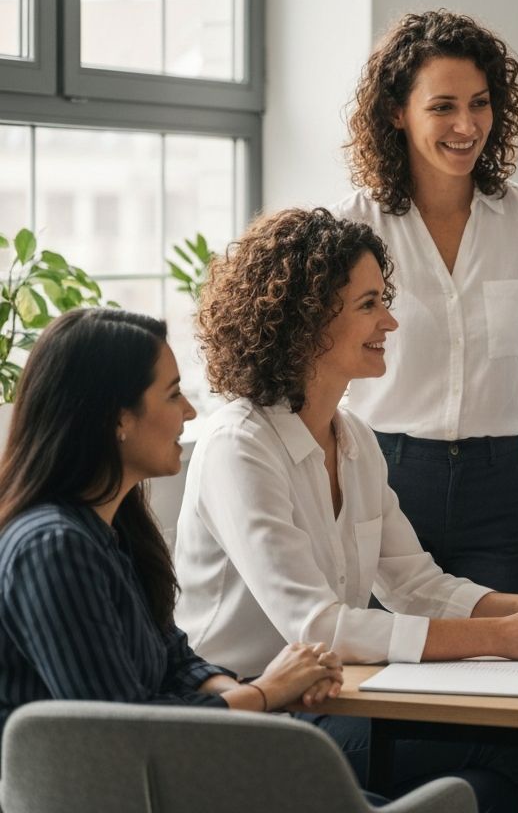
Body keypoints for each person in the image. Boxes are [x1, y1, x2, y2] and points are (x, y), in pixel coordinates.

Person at [174, 208, 518, 813]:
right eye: (368, 304)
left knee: (491, 785)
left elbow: (414, 581)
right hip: (253, 718)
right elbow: (317, 625)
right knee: (513, 750)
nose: (391, 320)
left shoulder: (353, 437)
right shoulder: (239, 447)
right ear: (307, 320)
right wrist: (503, 637)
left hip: (331, 700)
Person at [0, 308, 344, 746]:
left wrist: (270, 688)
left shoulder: (117, 529)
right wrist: (266, 692)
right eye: (172, 394)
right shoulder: (52, 547)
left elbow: (175, 661)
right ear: (118, 419)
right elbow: (124, 728)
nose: (189, 410)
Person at [335, 10, 518, 596]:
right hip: (382, 476)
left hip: (502, 490)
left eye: (480, 102)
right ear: (398, 112)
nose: (466, 124)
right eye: (442, 106)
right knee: (387, 673)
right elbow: (324, 367)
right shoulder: (352, 228)